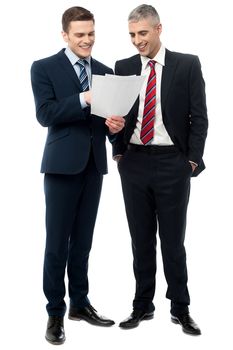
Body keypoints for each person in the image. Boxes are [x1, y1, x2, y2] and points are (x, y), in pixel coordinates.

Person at [31, 6, 125, 345]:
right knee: (57, 244)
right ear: (65, 36)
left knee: (82, 243)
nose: (87, 40)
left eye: (91, 34)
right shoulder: (43, 68)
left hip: (93, 167)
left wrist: (115, 128)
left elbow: (107, 123)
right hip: (60, 166)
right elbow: (45, 114)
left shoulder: (104, 70)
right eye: (80, 35)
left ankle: (80, 304)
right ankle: (55, 312)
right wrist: (84, 98)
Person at [113, 4, 208, 335]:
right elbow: (116, 115)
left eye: (142, 33)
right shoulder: (123, 67)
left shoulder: (186, 64)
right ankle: (142, 306)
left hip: (173, 163)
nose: (137, 41)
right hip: (134, 161)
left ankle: (180, 308)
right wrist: (119, 152)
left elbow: (200, 117)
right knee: (140, 240)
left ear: (158, 29)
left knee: (173, 241)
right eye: (132, 35)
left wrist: (191, 161)